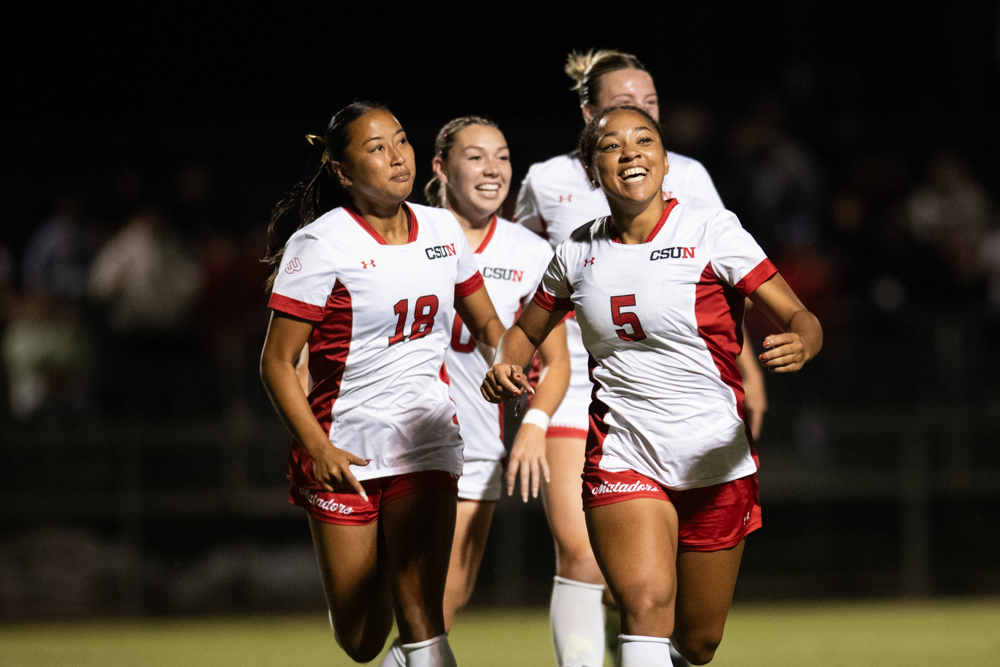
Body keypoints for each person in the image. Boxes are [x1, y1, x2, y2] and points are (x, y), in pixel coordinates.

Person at [483, 106, 822, 666]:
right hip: (624, 451)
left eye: (644, 141)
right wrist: (505, 364)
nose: (630, 152)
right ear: (594, 171)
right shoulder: (575, 251)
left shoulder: (712, 230)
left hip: (715, 459)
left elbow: (800, 316)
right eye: (611, 146)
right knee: (645, 602)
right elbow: (524, 331)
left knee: (698, 641)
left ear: (666, 162)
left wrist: (804, 342)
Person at [513, 49, 768, 667]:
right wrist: (502, 356)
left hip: (696, 402)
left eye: (650, 108)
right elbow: (515, 266)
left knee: (697, 637)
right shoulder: (549, 185)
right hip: (585, 388)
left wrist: (753, 371)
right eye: (622, 106)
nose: (637, 119)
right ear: (587, 119)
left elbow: (730, 291)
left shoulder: (692, 185)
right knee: (610, 575)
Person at [260, 102, 506, 667]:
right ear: (344, 172)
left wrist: (502, 359)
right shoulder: (321, 244)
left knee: (422, 612)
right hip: (347, 449)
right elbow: (276, 363)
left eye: (401, 140)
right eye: (376, 148)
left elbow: (488, 323)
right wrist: (317, 448)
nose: (397, 157)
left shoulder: (442, 228)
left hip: (425, 441)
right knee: (362, 641)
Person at [377, 116, 572, 666]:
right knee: (394, 614)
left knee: (443, 607)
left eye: (503, 156)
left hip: (476, 446)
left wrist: (534, 425)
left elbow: (556, 362)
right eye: (476, 156)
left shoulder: (531, 252)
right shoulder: (401, 233)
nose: (493, 170)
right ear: (439, 166)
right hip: (394, 436)